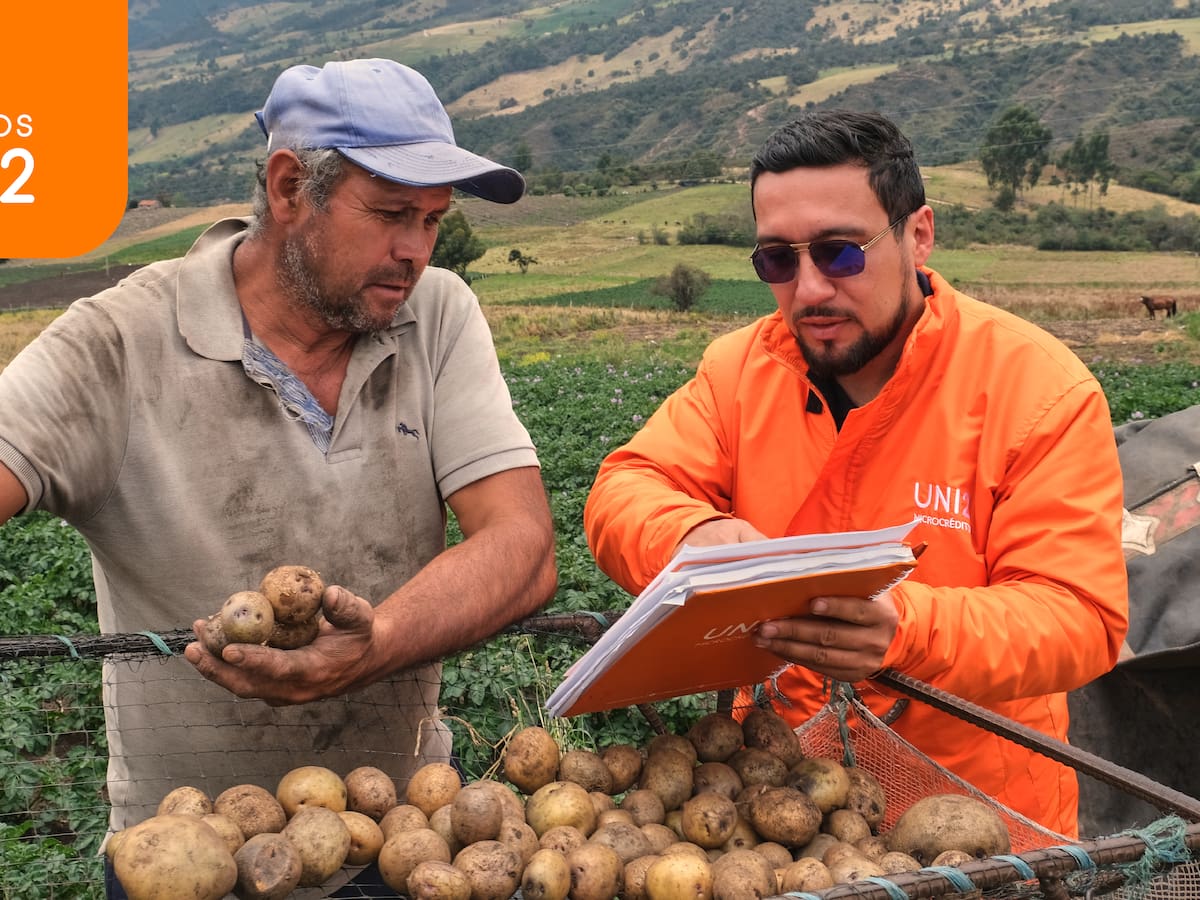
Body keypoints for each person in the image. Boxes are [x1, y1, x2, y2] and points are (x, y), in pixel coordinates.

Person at [0, 58, 556, 894]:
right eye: (393, 214)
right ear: (290, 188)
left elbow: (522, 545)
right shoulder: (115, 344)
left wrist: (371, 651)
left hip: (405, 848)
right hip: (189, 860)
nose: (416, 251)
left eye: (434, 221)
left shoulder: (437, 316)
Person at [583, 109, 1128, 837]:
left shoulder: (1037, 392)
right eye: (777, 259)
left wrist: (908, 628)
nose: (808, 290)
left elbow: (1079, 620)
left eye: (839, 253)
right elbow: (624, 488)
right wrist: (692, 534)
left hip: (977, 825)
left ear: (918, 234)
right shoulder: (742, 370)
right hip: (778, 811)